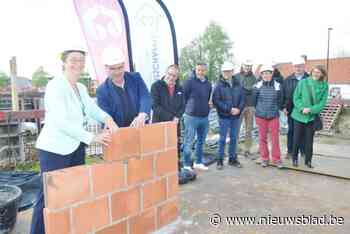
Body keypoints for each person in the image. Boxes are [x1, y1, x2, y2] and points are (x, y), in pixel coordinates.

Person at [31, 46, 118, 234]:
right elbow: (61, 121)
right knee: (49, 197)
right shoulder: (55, 86)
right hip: (54, 149)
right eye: (73, 60)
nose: (78, 64)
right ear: (64, 63)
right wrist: (92, 138)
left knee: (72, 193)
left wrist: (107, 119)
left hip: (76, 146)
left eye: (81, 60)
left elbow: (91, 108)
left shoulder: (80, 87)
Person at [96, 49, 152, 128]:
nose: (117, 72)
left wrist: (143, 114)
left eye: (120, 67)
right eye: (112, 69)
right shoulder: (102, 91)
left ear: (124, 65)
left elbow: (145, 97)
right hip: (119, 132)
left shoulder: (136, 78)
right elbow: (105, 115)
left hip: (141, 128)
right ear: (106, 68)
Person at [150, 64, 187, 174]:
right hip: (159, 125)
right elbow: (155, 106)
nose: (171, 77)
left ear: (177, 77)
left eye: (174, 76)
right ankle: (159, 172)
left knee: (174, 147)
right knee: (159, 149)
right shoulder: (156, 86)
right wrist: (171, 118)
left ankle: (175, 170)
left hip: (175, 125)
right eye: (170, 74)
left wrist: (177, 117)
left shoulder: (180, 88)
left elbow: (183, 106)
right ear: (166, 73)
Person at [291, 65, 329, 168]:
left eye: (318, 72)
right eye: (314, 71)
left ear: (322, 74)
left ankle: (308, 161)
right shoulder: (303, 82)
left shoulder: (324, 85)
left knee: (309, 140)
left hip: (311, 117)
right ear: (311, 72)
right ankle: (294, 158)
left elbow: (322, 103)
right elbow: (296, 97)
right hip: (299, 115)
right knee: (296, 139)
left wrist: (311, 109)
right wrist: (301, 108)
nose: (316, 74)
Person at [213, 62, 245, 170]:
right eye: (225, 71)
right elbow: (216, 101)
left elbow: (242, 99)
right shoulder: (218, 85)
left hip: (235, 116)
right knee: (222, 139)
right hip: (224, 116)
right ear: (222, 72)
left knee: (234, 138)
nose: (227, 73)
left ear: (232, 71)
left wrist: (239, 109)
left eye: (229, 71)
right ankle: (220, 160)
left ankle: (232, 159)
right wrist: (229, 109)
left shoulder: (238, 84)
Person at [182, 63, 212, 171]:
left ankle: (198, 162)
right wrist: (187, 110)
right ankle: (186, 164)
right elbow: (184, 98)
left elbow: (208, 98)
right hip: (191, 117)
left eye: (203, 70)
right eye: (198, 70)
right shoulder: (189, 82)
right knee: (188, 141)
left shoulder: (208, 84)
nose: (200, 72)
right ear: (195, 70)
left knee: (201, 141)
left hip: (204, 117)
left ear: (205, 71)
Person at [252, 65, 283, 168]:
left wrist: (275, 109)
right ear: (261, 75)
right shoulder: (257, 86)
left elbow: (280, 100)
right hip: (261, 116)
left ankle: (276, 159)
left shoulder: (278, 86)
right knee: (262, 138)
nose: (266, 75)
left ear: (272, 74)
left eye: (268, 73)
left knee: (275, 138)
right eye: (264, 73)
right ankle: (264, 158)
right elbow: (254, 101)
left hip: (274, 115)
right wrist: (260, 110)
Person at [282, 57, 309, 159]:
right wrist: (284, 107)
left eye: (300, 66)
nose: (298, 68)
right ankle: (290, 151)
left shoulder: (309, 79)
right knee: (291, 131)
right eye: (296, 66)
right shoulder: (288, 80)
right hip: (291, 110)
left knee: (304, 132)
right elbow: (284, 95)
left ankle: (303, 152)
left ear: (304, 67)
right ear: (293, 67)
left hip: (305, 110)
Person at [235, 60, 257, 158]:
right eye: (246, 66)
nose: (247, 67)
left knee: (249, 129)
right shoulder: (236, 77)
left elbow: (255, 91)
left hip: (250, 106)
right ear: (242, 65)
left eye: (249, 66)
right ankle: (234, 148)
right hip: (239, 106)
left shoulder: (254, 78)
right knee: (236, 128)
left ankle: (247, 149)